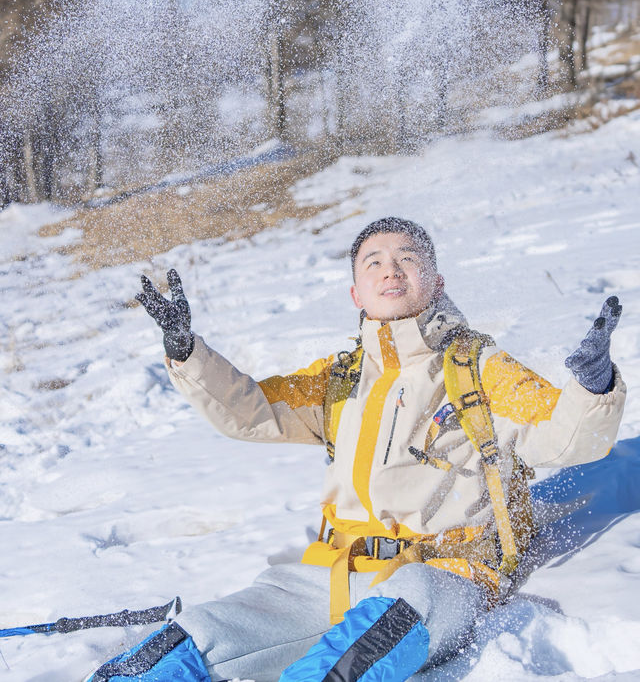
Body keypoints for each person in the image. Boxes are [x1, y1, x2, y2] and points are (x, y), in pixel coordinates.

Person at [89, 217, 626, 682]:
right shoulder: (340, 378)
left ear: (435, 282)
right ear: (356, 293)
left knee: (351, 655)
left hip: (444, 576)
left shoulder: (477, 368)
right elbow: (253, 411)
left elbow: (565, 437)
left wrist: (593, 387)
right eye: (373, 262)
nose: (390, 270)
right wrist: (188, 353)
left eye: (407, 258)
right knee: (195, 637)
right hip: (331, 575)